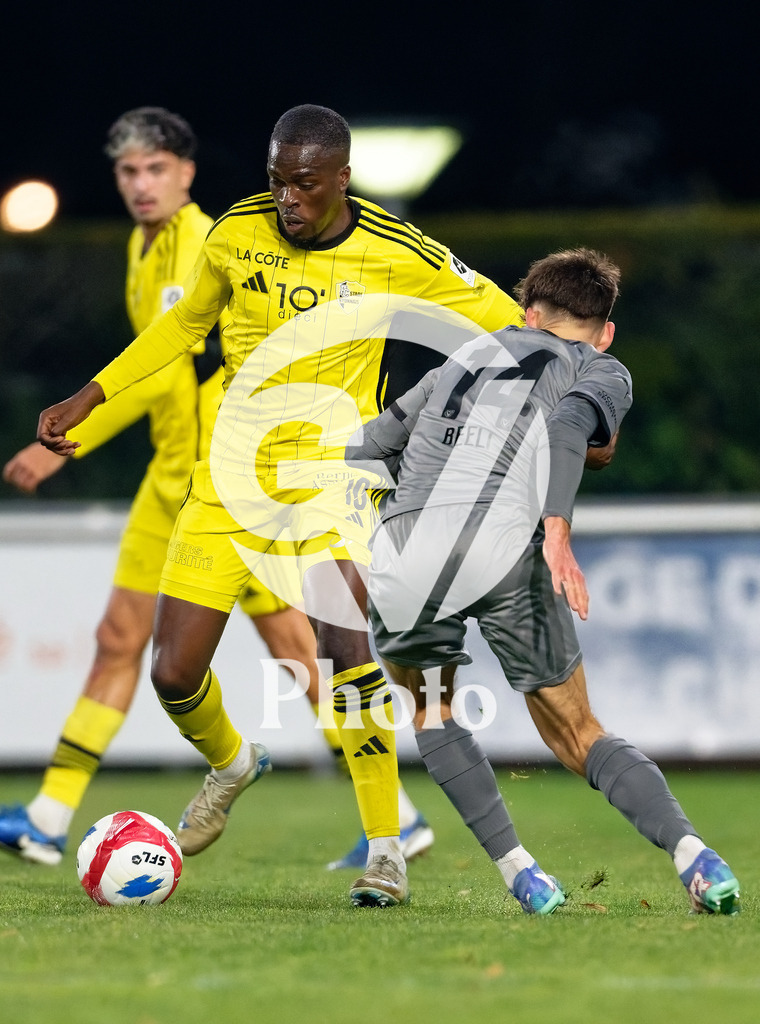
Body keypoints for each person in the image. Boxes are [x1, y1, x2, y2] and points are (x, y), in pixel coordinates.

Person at [33, 104, 525, 907]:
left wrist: (574, 405)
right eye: (276, 180)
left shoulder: (399, 253)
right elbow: (183, 327)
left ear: (342, 180)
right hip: (228, 481)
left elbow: (506, 325)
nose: (287, 198)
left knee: (343, 648)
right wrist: (90, 394)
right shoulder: (237, 232)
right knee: (172, 671)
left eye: (303, 184)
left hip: (333, 480)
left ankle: (386, 848)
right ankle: (231, 763)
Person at [349, 247, 741, 916]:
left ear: (527, 313)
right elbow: (568, 427)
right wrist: (557, 527)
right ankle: (695, 859)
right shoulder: (600, 365)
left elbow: (371, 443)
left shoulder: (464, 358)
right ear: (606, 329)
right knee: (576, 733)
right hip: (505, 545)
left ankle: (522, 873)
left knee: (433, 708)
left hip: (407, 542)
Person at [0, 106, 332, 866]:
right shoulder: (141, 247)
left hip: (225, 477)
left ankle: (396, 815)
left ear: (186, 173)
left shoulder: (203, 244)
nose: (141, 185)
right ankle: (51, 816)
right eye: (128, 172)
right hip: (171, 477)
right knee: (121, 639)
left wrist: (67, 443)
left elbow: (166, 372)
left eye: (156, 169)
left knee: (295, 648)